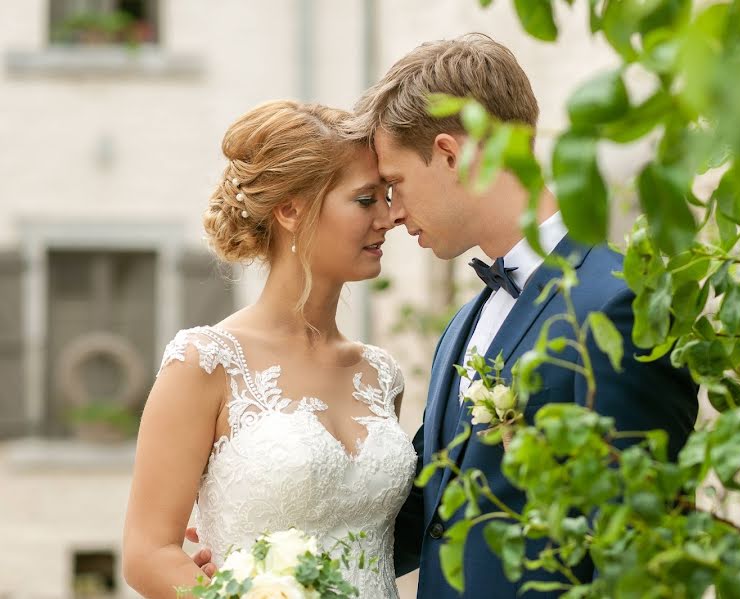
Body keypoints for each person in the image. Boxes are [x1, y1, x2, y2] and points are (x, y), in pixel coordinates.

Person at [350, 33, 700, 597]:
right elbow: (429, 510)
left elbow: (643, 547)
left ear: (450, 154)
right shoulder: (464, 324)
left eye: (394, 184)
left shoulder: (618, 303)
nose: (390, 214)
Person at [122, 100, 416, 599]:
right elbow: (147, 555)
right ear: (290, 210)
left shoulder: (381, 375)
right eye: (366, 200)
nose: (388, 217)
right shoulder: (205, 362)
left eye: (386, 197)